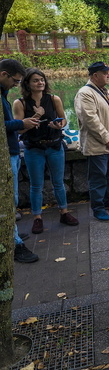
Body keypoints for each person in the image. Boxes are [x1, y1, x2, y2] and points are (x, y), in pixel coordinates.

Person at [13, 68, 77, 235]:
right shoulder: (20, 103)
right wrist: (36, 115)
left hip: (54, 146)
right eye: (35, 80)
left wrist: (59, 125)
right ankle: (37, 218)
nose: (40, 83)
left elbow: (63, 119)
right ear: (27, 83)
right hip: (34, 148)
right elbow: (19, 130)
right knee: (36, 185)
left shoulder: (54, 99)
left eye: (42, 80)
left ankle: (64, 212)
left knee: (58, 182)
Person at [74, 61, 109, 222]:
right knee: (98, 177)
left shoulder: (104, 91)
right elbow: (90, 120)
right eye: (105, 73)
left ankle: (107, 201)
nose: (108, 75)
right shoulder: (85, 93)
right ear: (95, 75)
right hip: (98, 143)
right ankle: (98, 209)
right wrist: (106, 138)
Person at [1, 59, 40, 262]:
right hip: (7, 154)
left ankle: (10, 235)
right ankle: (15, 245)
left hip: (13, 152)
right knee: (9, 200)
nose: (16, 85)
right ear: (3, 74)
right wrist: (21, 123)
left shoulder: (3, 93)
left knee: (12, 200)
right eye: (15, 81)